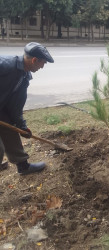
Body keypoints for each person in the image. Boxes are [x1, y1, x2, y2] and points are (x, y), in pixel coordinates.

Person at [0, 42, 54, 175]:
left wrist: (22, 127)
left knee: (10, 130)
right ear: (35, 60)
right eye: (43, 63)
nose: (43, 67)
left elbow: (15, 107)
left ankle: (23, 166)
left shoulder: (24, 76)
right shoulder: (5, 65)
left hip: (2, 110)